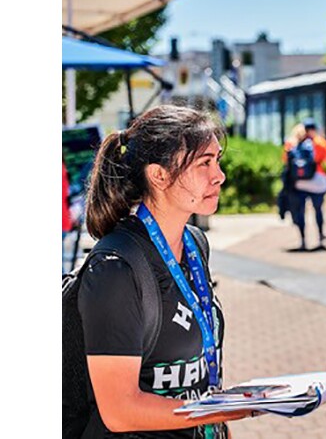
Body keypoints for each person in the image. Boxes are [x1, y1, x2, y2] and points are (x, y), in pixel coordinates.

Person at [76, 105, 251, 437]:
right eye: (205, 163)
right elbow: (120, 410)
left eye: (218, 161)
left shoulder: (195, 245)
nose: (219, 175)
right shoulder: (115, 269)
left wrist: (220, 419)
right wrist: (224, 408)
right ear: (159, 175)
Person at [283, 119, 326, 250]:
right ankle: (321, 237)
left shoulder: (292, 142)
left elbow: (285, 160)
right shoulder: (320, 142)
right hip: (317, 181)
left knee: (301, 212)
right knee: (318, 209)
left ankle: (303, 241)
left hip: (299, 182)